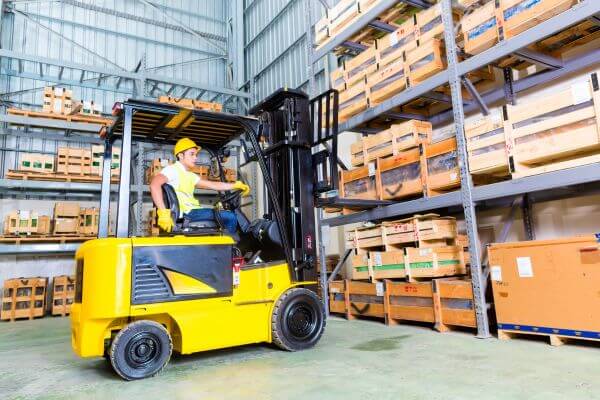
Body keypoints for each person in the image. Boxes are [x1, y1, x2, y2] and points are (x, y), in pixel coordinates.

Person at [150, 137, 250, 234]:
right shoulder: (172, 170)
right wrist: (163, 213)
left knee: (223, 215)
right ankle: (232, 248)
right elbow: (154, 184)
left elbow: (212, 185)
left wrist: (235, 185)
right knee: (230, 217)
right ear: (180, 155)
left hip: (192, 212)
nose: (195, 158)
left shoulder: (188, 175)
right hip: (187, 214)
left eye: (196, 154)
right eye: (192, 154)